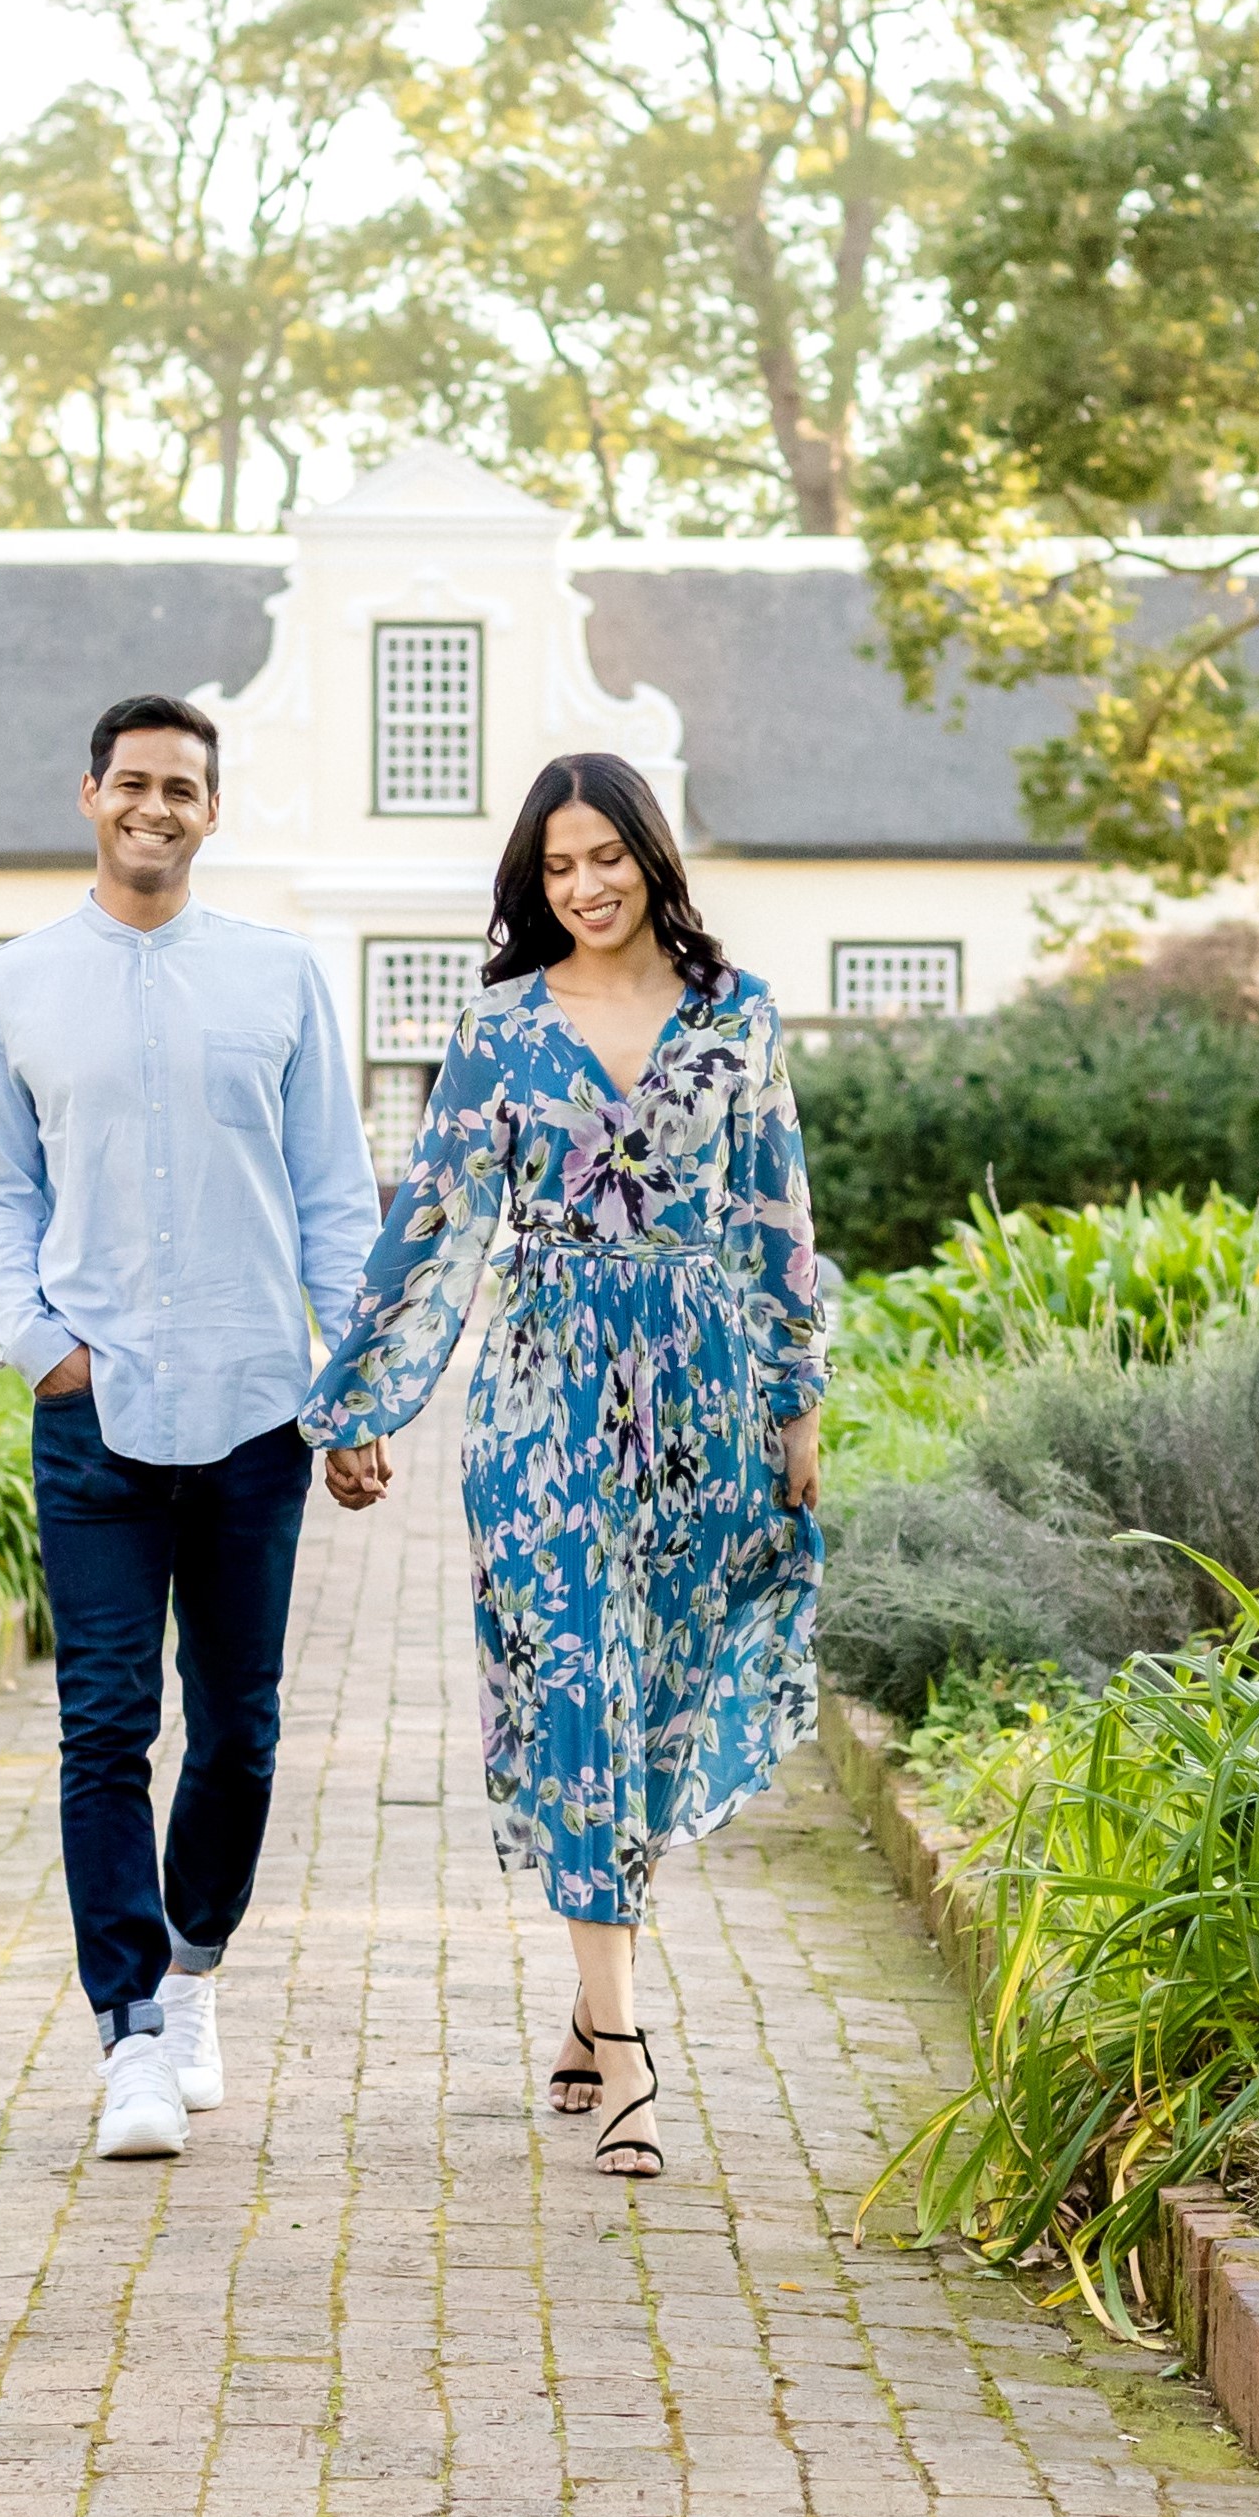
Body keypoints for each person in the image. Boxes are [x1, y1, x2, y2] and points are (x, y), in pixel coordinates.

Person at [303, 752, 826, 2182]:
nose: (586, 886)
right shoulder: (500, 1029)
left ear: (651, 857)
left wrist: (797, 1405)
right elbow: (434, 1222)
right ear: (534, 884)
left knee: (655, 1713)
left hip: (705, 1399)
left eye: (606, 857)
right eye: (557, 867)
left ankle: (592, 2005)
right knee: (578, 1689)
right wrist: (364, 1402)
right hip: (544, 1406)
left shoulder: (738, 1016)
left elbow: (777, 1216)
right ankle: (632, 2048)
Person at [0, 691, 385, 2162]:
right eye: (131, 782)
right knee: (103, 1727)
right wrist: (39, 1345)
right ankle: (129, 2031)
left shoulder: (280, 978)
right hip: (95, 1412)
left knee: (241, 1730)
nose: (154, 806)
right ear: (90, 795)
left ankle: (194, 1967)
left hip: (258, 1406)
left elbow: (337, 1199)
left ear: (213, 811)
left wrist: (359, 1386)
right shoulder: (14, 984)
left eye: (181, 788)